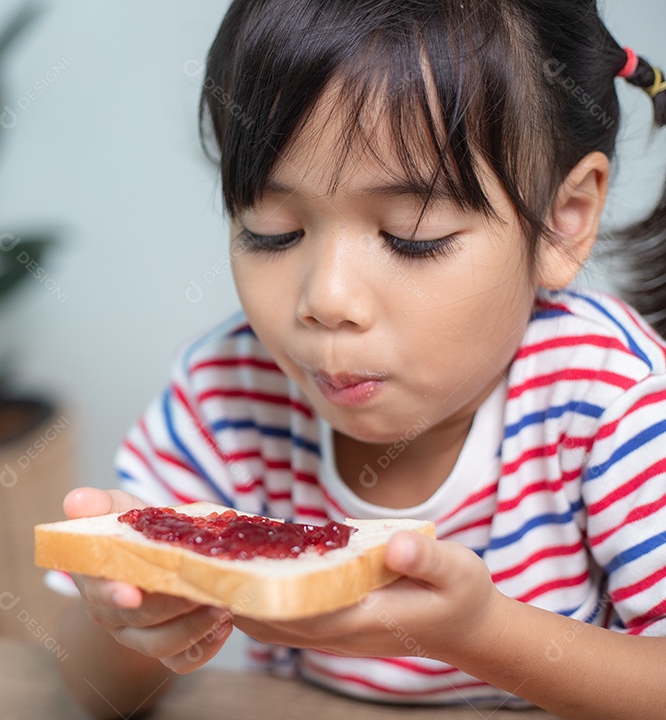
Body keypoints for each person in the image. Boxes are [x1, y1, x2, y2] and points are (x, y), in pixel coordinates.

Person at [54, 1, 666, 718]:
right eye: (274, 231)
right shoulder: (225, 397)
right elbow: (87, 688)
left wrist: (479, 634)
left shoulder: (613, 401)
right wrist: (133, 612)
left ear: (564, 220)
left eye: (412, 236)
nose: (327, 298)